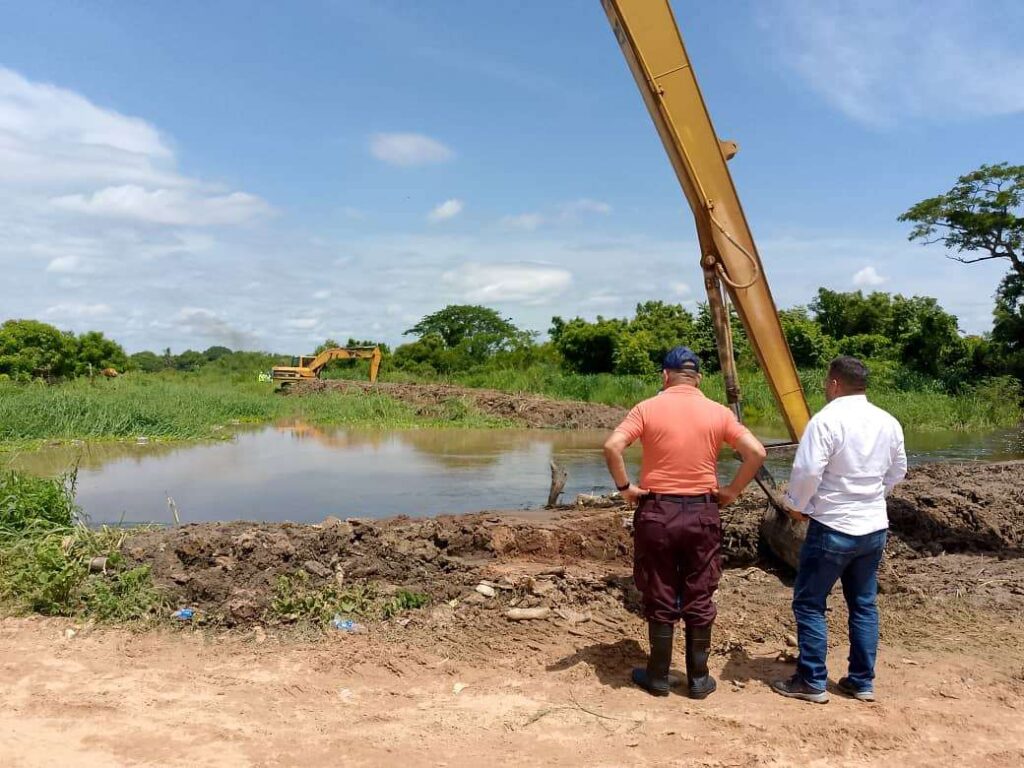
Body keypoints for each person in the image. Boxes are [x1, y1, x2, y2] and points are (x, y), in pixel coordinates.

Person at [604, 346, 767, 698]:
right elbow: (757, 453)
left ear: (665, 376)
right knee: (700, 591)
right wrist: (731, 492)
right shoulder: (718, 412)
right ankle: (698, 680)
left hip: (657, 511)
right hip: (702, 511)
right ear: (699, 378)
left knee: (659, 588)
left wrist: (625, 488)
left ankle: (659, 677)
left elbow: (612, 447)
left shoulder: (647, 408)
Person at [772, 356, 907, 704]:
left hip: (833, 526)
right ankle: (861, 682)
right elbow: (898, 471)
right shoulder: (887, 421)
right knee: (863, 605)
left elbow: (807, 472)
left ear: (834, 383)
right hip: (874, 527)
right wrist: (873, 496)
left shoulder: (826, 420)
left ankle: (812, 680)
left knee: (810, 602)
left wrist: (797, 506)